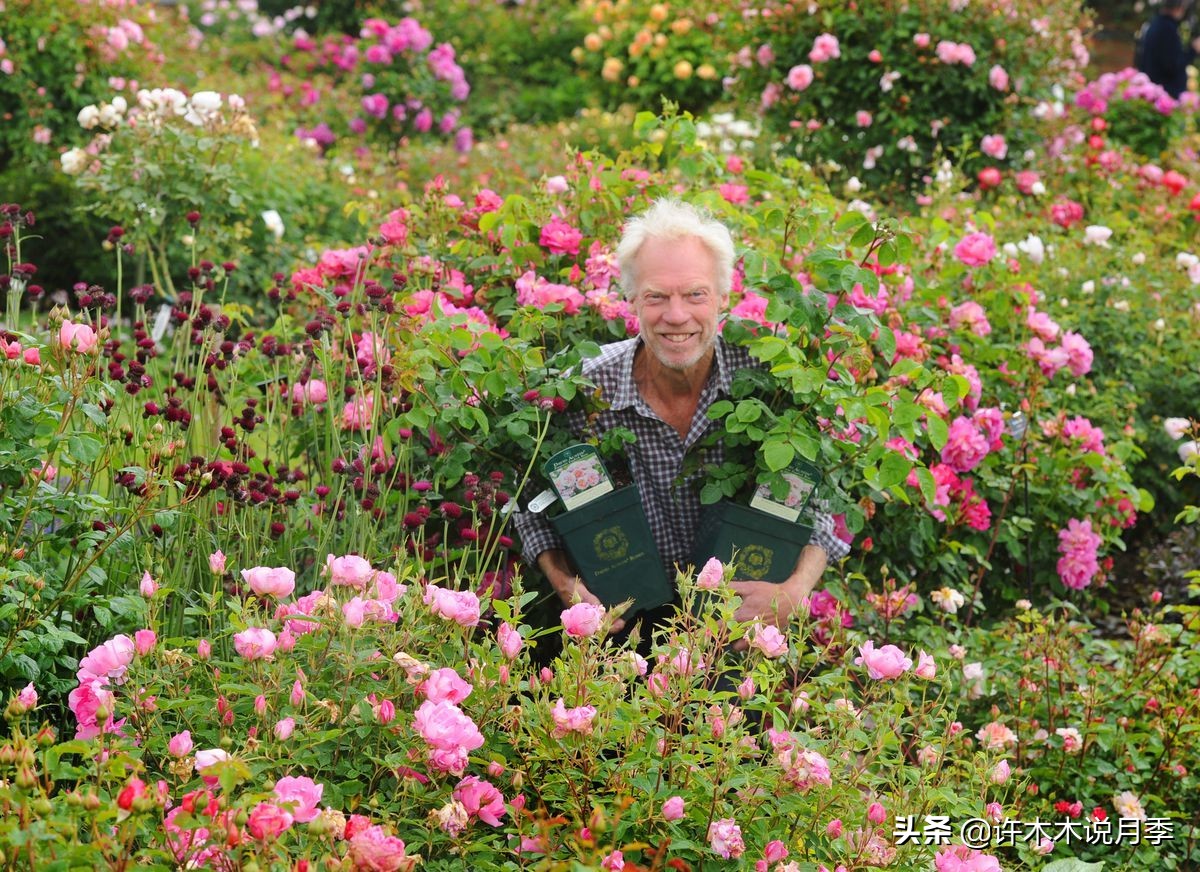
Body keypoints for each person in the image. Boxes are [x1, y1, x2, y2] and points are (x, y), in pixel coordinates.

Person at [513, 198, 849, 639]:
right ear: (631, 298)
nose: (676, 315)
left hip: (736, 637)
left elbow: (822, 499)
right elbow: (530, 502)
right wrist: (565, 585)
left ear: (723, 297)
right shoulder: (582, 388)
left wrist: (796, 588)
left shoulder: (770, 387)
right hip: (617, 640)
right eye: (656, 296)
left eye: (695, 294)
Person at [1139, 0, 1200, 99]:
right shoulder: (1167, 28)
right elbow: (1172, 65)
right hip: (1166, 95)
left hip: (1159, 91)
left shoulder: (1157, 23)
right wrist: (1193, 50)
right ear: (1179, 6)